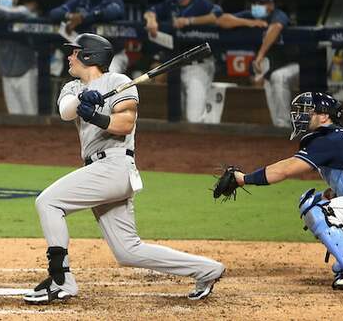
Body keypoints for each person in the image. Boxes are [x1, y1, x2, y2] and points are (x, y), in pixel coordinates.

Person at [23, 33, 225, 304]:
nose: (69, 56)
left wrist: (95, 114)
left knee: (48, 202)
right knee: (127, 251)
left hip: (115, 165)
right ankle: (208, 270)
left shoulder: (120, 82)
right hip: (99, 170)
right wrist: (85, 99)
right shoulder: (71, 87)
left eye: (74, 52)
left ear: (89, 55)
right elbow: (65, 111)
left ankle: (61, 280)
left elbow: (124, 124)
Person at [226, 92, 343, 290]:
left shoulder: (328, 138)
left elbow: (286, 169)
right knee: (315, 200)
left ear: (324, 117)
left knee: (317, 209)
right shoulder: (337, 136)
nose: (300, 116)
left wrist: (244, 179)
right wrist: (333, 192)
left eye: (308, 112)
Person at [144, 0, 223, 123]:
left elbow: (218, 14)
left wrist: (189, 21)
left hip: (198, 64)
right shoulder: (170, 3)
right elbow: (151, 11)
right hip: (177, 65)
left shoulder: (201, 3)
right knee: (177, 116)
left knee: (193, 118)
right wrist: (151, 20)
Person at [219, 0, 297, 128]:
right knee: (271, 80)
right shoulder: (251, 16)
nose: (256, 6)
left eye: (261, 3)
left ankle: (284, 128)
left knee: (278, 77)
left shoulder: (279, 15)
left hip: (294, 64)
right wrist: (249, 22)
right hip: (272, 64)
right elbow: (222, 20)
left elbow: (276, 27)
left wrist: (260, 54)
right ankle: (281, 127)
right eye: (254, 2)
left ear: (271, 5)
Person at [49, 0, 128, 74]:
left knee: (107, 80)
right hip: (85, 56)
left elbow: (113, 12)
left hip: (112, 56)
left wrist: (83, 18)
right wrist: (70, 16)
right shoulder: (80, 1)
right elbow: (54, 13)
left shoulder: (113, 0)